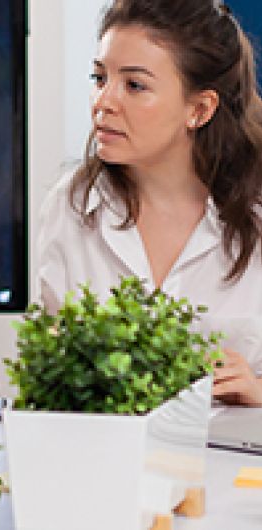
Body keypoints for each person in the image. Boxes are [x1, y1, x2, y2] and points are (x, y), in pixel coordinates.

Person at [36, 0, 262, 406]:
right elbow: (49, 377)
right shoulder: (72, 205)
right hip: (104, 461)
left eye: (134, 85)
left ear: (200, 109)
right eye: (99, 77)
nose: (103, 102)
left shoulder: (256, 214)